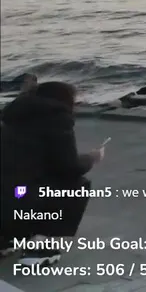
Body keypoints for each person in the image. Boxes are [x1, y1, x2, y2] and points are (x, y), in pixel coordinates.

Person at [1, 81, 105, 266]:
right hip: (21, 197)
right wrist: (92, 158)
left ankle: (6, 240)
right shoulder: (57, 118)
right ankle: (38, 246)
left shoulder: (10, 116)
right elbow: (69, 167)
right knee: (76, 185)